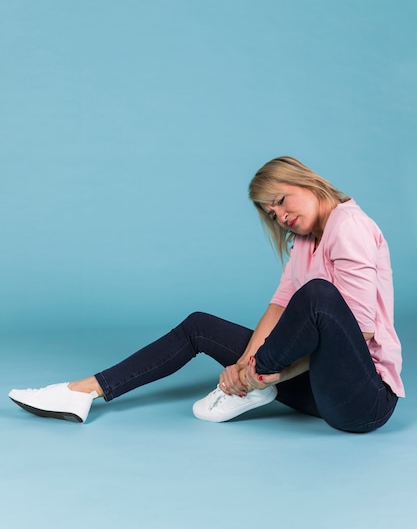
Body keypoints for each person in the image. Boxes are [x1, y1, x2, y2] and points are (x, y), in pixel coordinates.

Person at [8, 156, 404, 432]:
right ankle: (84, 391)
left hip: (363, 400)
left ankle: (252, 385)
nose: (281, 217)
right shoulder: (303, 242)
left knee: (317, 296)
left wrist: (264, 374)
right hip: (318, 390)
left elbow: (361, 333)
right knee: (200, 325)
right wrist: (247, 363)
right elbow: (278, 306)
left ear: (306, 181)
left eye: (281, 201)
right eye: (271, 214)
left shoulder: (347, 225)